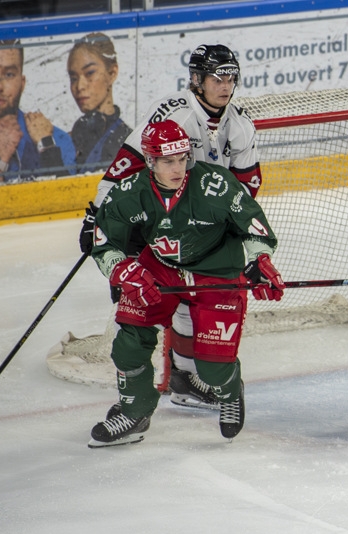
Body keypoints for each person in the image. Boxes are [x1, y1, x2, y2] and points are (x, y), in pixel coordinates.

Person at [78, 43, 263, 410]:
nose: (225, 85)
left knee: (189, 301)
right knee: (135, 306)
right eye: (216, 76)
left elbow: (248, 184)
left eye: (231, 76)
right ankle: (133, 395)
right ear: (197, 80)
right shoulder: (174, 115)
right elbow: (129, 163)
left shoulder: (239, 124)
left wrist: (231, 224)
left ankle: (182, 378)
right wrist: (96, 214)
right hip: (152, 220)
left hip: (198, 225)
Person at [88, 120, 284, 447]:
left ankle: (230, 389)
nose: (178, 168)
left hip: (218, 271)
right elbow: (105, 243)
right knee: (129, 339)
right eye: (167, 161)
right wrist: (121, 269)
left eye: (182, 158)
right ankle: (134, 411)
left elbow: (253, 228)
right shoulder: (129, 193)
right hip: (162, 268)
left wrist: (260, 260)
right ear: (150, 161)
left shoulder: (215, 185)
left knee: (212, 371)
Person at [0, 39, 76, 187]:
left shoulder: (57, 141)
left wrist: (47, 147)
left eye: (9, 74)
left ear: (22, 83)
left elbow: (72, 205)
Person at [67, 32, 132, 174]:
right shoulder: (72, 138)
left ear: (112, 73)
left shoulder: (127, 144)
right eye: (73, 78)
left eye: (90, 73)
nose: (80, 86)